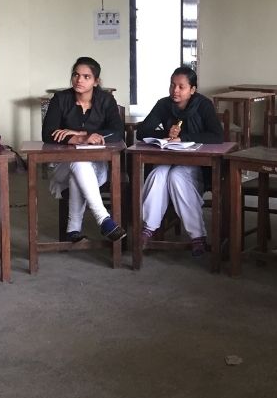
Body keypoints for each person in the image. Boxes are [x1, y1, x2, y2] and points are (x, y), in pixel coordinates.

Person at [136, 66, 223, 256]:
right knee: (158, 174)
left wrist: (183, 136)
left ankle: (197, 236)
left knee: (176, 176)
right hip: (169, 158)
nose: (175, 90)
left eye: (181, 87)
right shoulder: (164, 104)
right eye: (172, 85)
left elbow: (217, 136)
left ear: (192, 90)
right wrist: (166, 134)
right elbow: (143, 131)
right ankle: (148, 228)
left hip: (196, 165)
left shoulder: (203, 105)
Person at [41, 56, 124, 242]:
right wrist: (79, 138)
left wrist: (82, 133)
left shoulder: (106, 100)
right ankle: (103, 219)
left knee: (79, 168)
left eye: (86, 76)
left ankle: (73, 229)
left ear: (96, 81)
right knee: (78, 162)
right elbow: (47, 133)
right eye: (76, 75)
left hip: (97, 168)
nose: (79, 80)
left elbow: (118, 132)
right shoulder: (60, 99)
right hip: (62, 166)